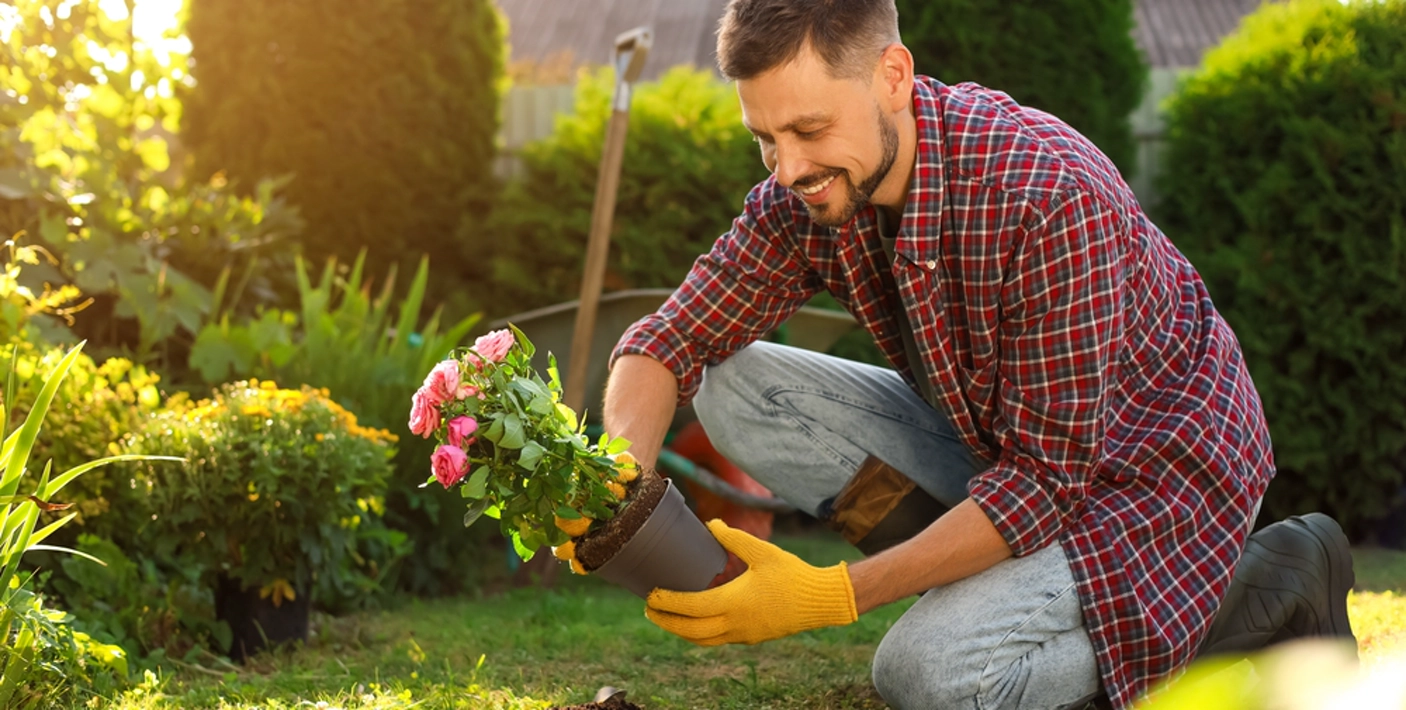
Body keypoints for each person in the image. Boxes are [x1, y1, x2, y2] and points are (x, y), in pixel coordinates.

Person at [600, 1, 1357, 708]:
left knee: (927, 675)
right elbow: (673, 339)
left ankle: (1262, 580)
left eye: (809, 129)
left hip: (1156, 477)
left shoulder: (1045, 194)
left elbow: (1046, 482)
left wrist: (833, 595)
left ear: (892, 77)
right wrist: (615, 477)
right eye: (766, 138)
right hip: (1009, 454)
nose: (788, 168)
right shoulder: (810, 192)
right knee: (734, 387)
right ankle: (978, 584)